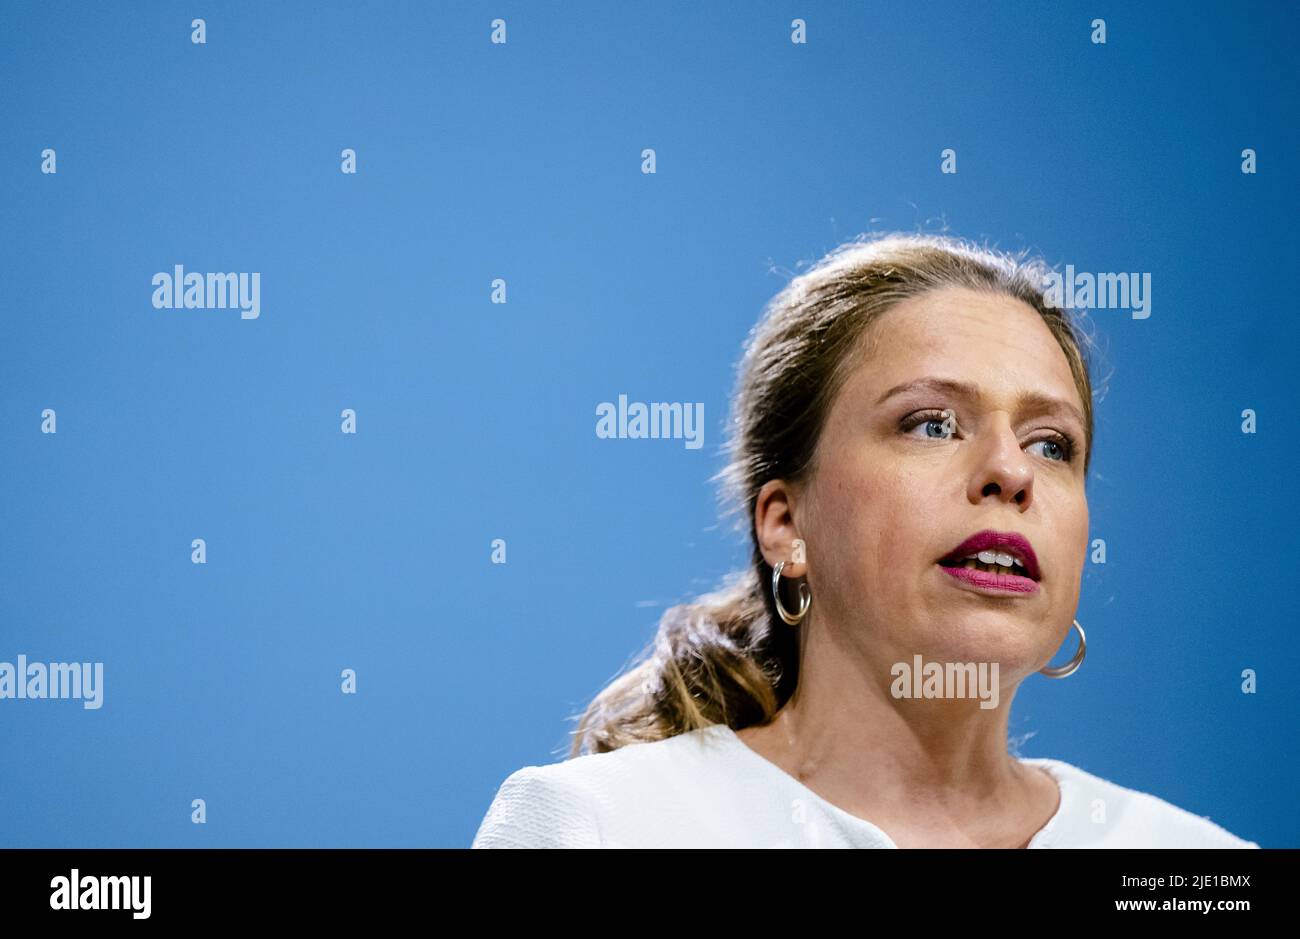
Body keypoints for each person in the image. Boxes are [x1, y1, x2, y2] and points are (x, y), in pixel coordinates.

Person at [472, 232, 1259, 849]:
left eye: (1052, 443)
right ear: (786, 524)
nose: (1010, 471)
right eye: (931, 423)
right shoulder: (600, 828)